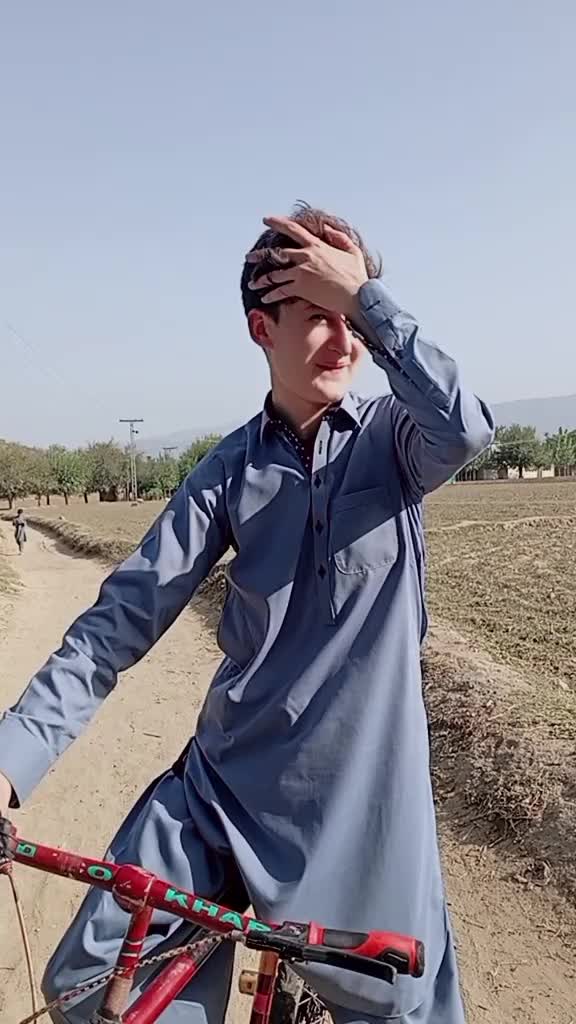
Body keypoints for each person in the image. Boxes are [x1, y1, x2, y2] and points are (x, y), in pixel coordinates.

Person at [0, 205, 494, 1023]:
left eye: (354, 317)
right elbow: (115, 626)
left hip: (365, 806)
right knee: (93, 987)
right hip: (223, 795)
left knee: (398, 1000)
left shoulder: (397, 441)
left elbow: (466, 430)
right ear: (261, 329)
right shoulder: (227, 472)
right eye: (319, 315)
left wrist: (365, 298)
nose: (344, 341)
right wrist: (9, 762)